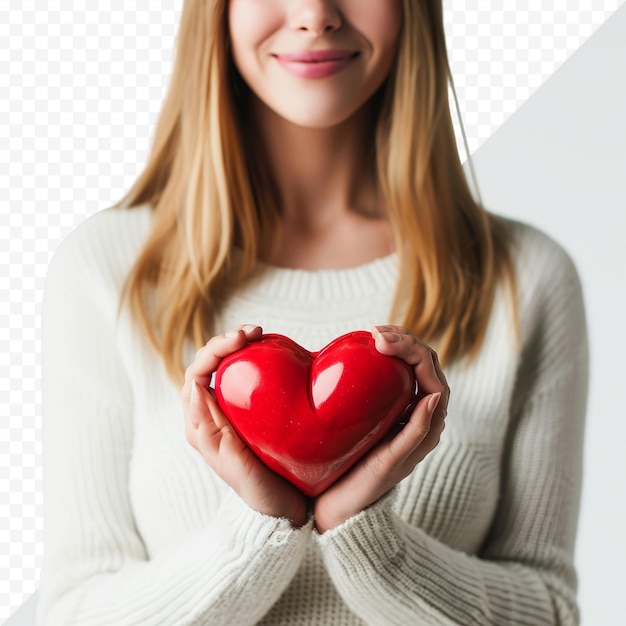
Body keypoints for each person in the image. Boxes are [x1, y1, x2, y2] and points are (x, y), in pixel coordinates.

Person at [37, 1, 588, 624]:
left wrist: (363, 534)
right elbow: (73, 611)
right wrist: (259, 528)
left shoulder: (527, 279)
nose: (315, 14)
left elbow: (549, 610)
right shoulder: (106, 268)